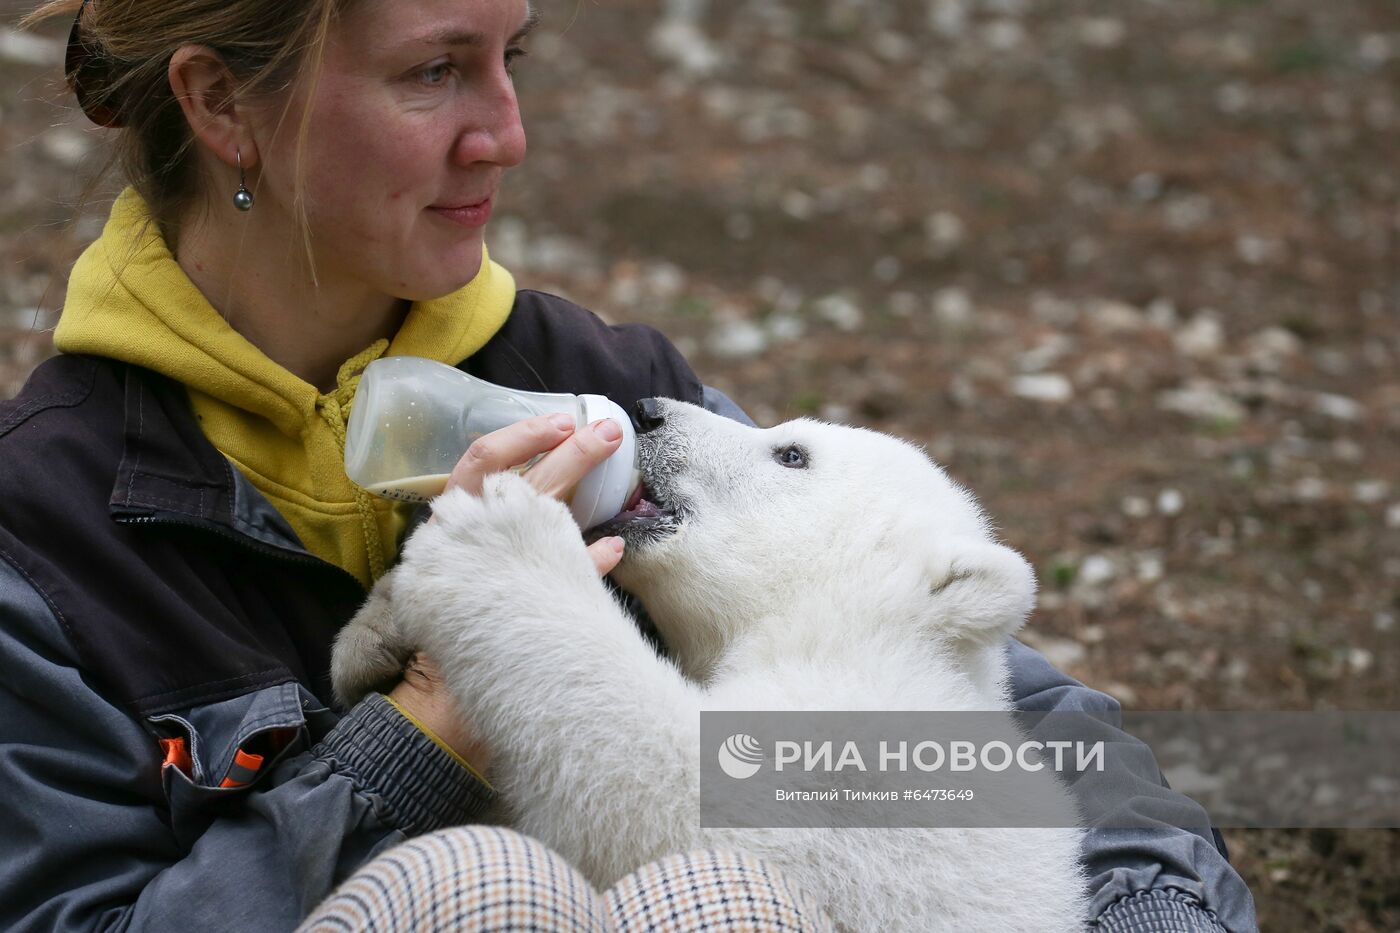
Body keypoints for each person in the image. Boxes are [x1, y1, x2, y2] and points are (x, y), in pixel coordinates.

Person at [0, 0, 1256, 930]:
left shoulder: (608, 394)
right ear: (220, 105)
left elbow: (1004, 725)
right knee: (478, 894)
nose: (506, 133)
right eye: (434, 72)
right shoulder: (44, 541)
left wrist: (1156, 916)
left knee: (721, 894)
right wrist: (427, 729)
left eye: (512, 59)